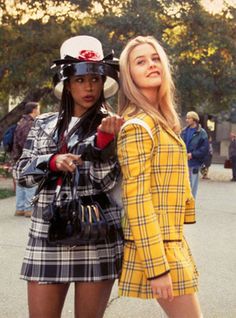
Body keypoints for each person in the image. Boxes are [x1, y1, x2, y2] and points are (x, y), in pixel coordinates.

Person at [14, 35, 124, 318]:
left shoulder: (112, 124)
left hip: (96, 231)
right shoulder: (44, 123)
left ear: (103, 81)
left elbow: (109, 185)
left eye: (95, 79)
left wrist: (102, 144)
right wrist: (50, 161)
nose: (88, 87)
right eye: (79, 80)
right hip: (47, 232)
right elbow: (21, 173)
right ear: (66, 84)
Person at [117, 36, 202, 318]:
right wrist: (157, 268)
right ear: (128, 75)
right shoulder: (138, 126)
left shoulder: (160, 120)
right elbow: (137, 202)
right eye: (140, 61)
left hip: (172, 241)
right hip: (159, 249)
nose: (151, 65)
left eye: (155, 59)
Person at [12, 102, 40, 217]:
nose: (39, 111)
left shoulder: (21, 122)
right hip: (27, 156)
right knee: (30, 182)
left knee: (21, 182)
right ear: (33, 110)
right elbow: (28, 142)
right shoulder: (29, 124)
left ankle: (20, 208)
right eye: (38, 109)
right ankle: (28, 209)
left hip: (18, 156)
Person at [181, 111, 209, 198]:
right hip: (184, 162)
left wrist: (192, 154)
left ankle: (191, 203)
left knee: (193, 184)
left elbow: (204, 149)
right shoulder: (184, 131)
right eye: (186, 118)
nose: (187, 120)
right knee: (184, 184)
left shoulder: (202, 133)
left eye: (189, 118)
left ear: (194, 120)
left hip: (195, 163)